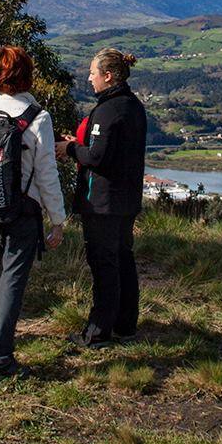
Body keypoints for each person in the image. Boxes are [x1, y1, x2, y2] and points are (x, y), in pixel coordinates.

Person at [0, 46, 66, 380]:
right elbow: (47, 174)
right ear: (26, 75)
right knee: (12, 281)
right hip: (23, 213)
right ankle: (0, 357)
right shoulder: (38, 117)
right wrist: (57, 220)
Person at [56, 48, 147, 349]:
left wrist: (70, 149)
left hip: (103, 202)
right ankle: (125, 324)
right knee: (123, 259)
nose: (89, 78)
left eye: (93, 73)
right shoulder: (132, 105)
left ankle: (97, 332)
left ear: (108, 76)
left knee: (104, 264)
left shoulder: (108, 109)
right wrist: (81, 144)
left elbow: (97, 156)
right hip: (126, 198)